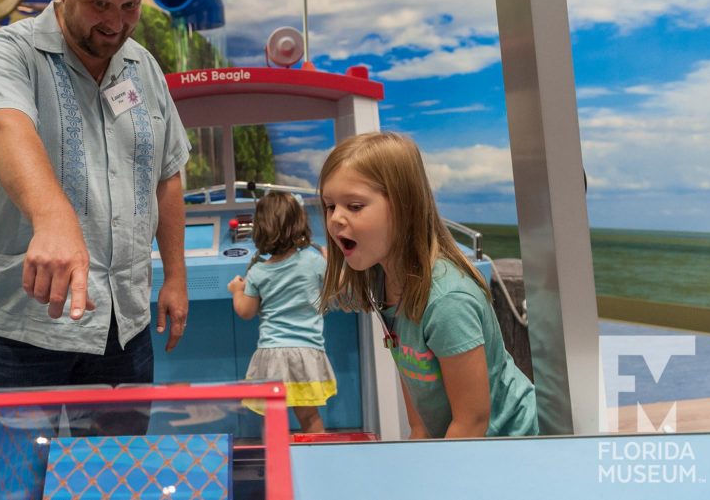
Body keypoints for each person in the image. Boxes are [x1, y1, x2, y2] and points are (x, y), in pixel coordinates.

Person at [0, 0, 191, 401]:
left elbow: (168, 172)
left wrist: (175, 277)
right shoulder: (7, 52)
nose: (116, 24)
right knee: (8, 477)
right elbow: (6, 128)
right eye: (100, 4)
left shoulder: (143, 68)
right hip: (20, 327)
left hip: (121, 326)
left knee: (115, 476)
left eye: (130, 6)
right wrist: (54, 219)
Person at [318, 131, 537, 439]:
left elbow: (472, 421)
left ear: (403, 207)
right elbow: (418, 402)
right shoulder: (382, 282)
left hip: (509, 445)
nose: (335, 219)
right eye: (330, 206)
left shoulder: (447, 301)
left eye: (354, 206)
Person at [227, 191, 336, 433]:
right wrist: (329, 260)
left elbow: (246, 311)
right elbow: (335, 287)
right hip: (306, 352)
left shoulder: (258, 272)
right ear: (299, 223)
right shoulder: (313, 260)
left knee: (273, 419)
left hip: (271, 354)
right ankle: (320, 461)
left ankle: (276, 467)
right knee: (309, 416)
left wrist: (237, 290)